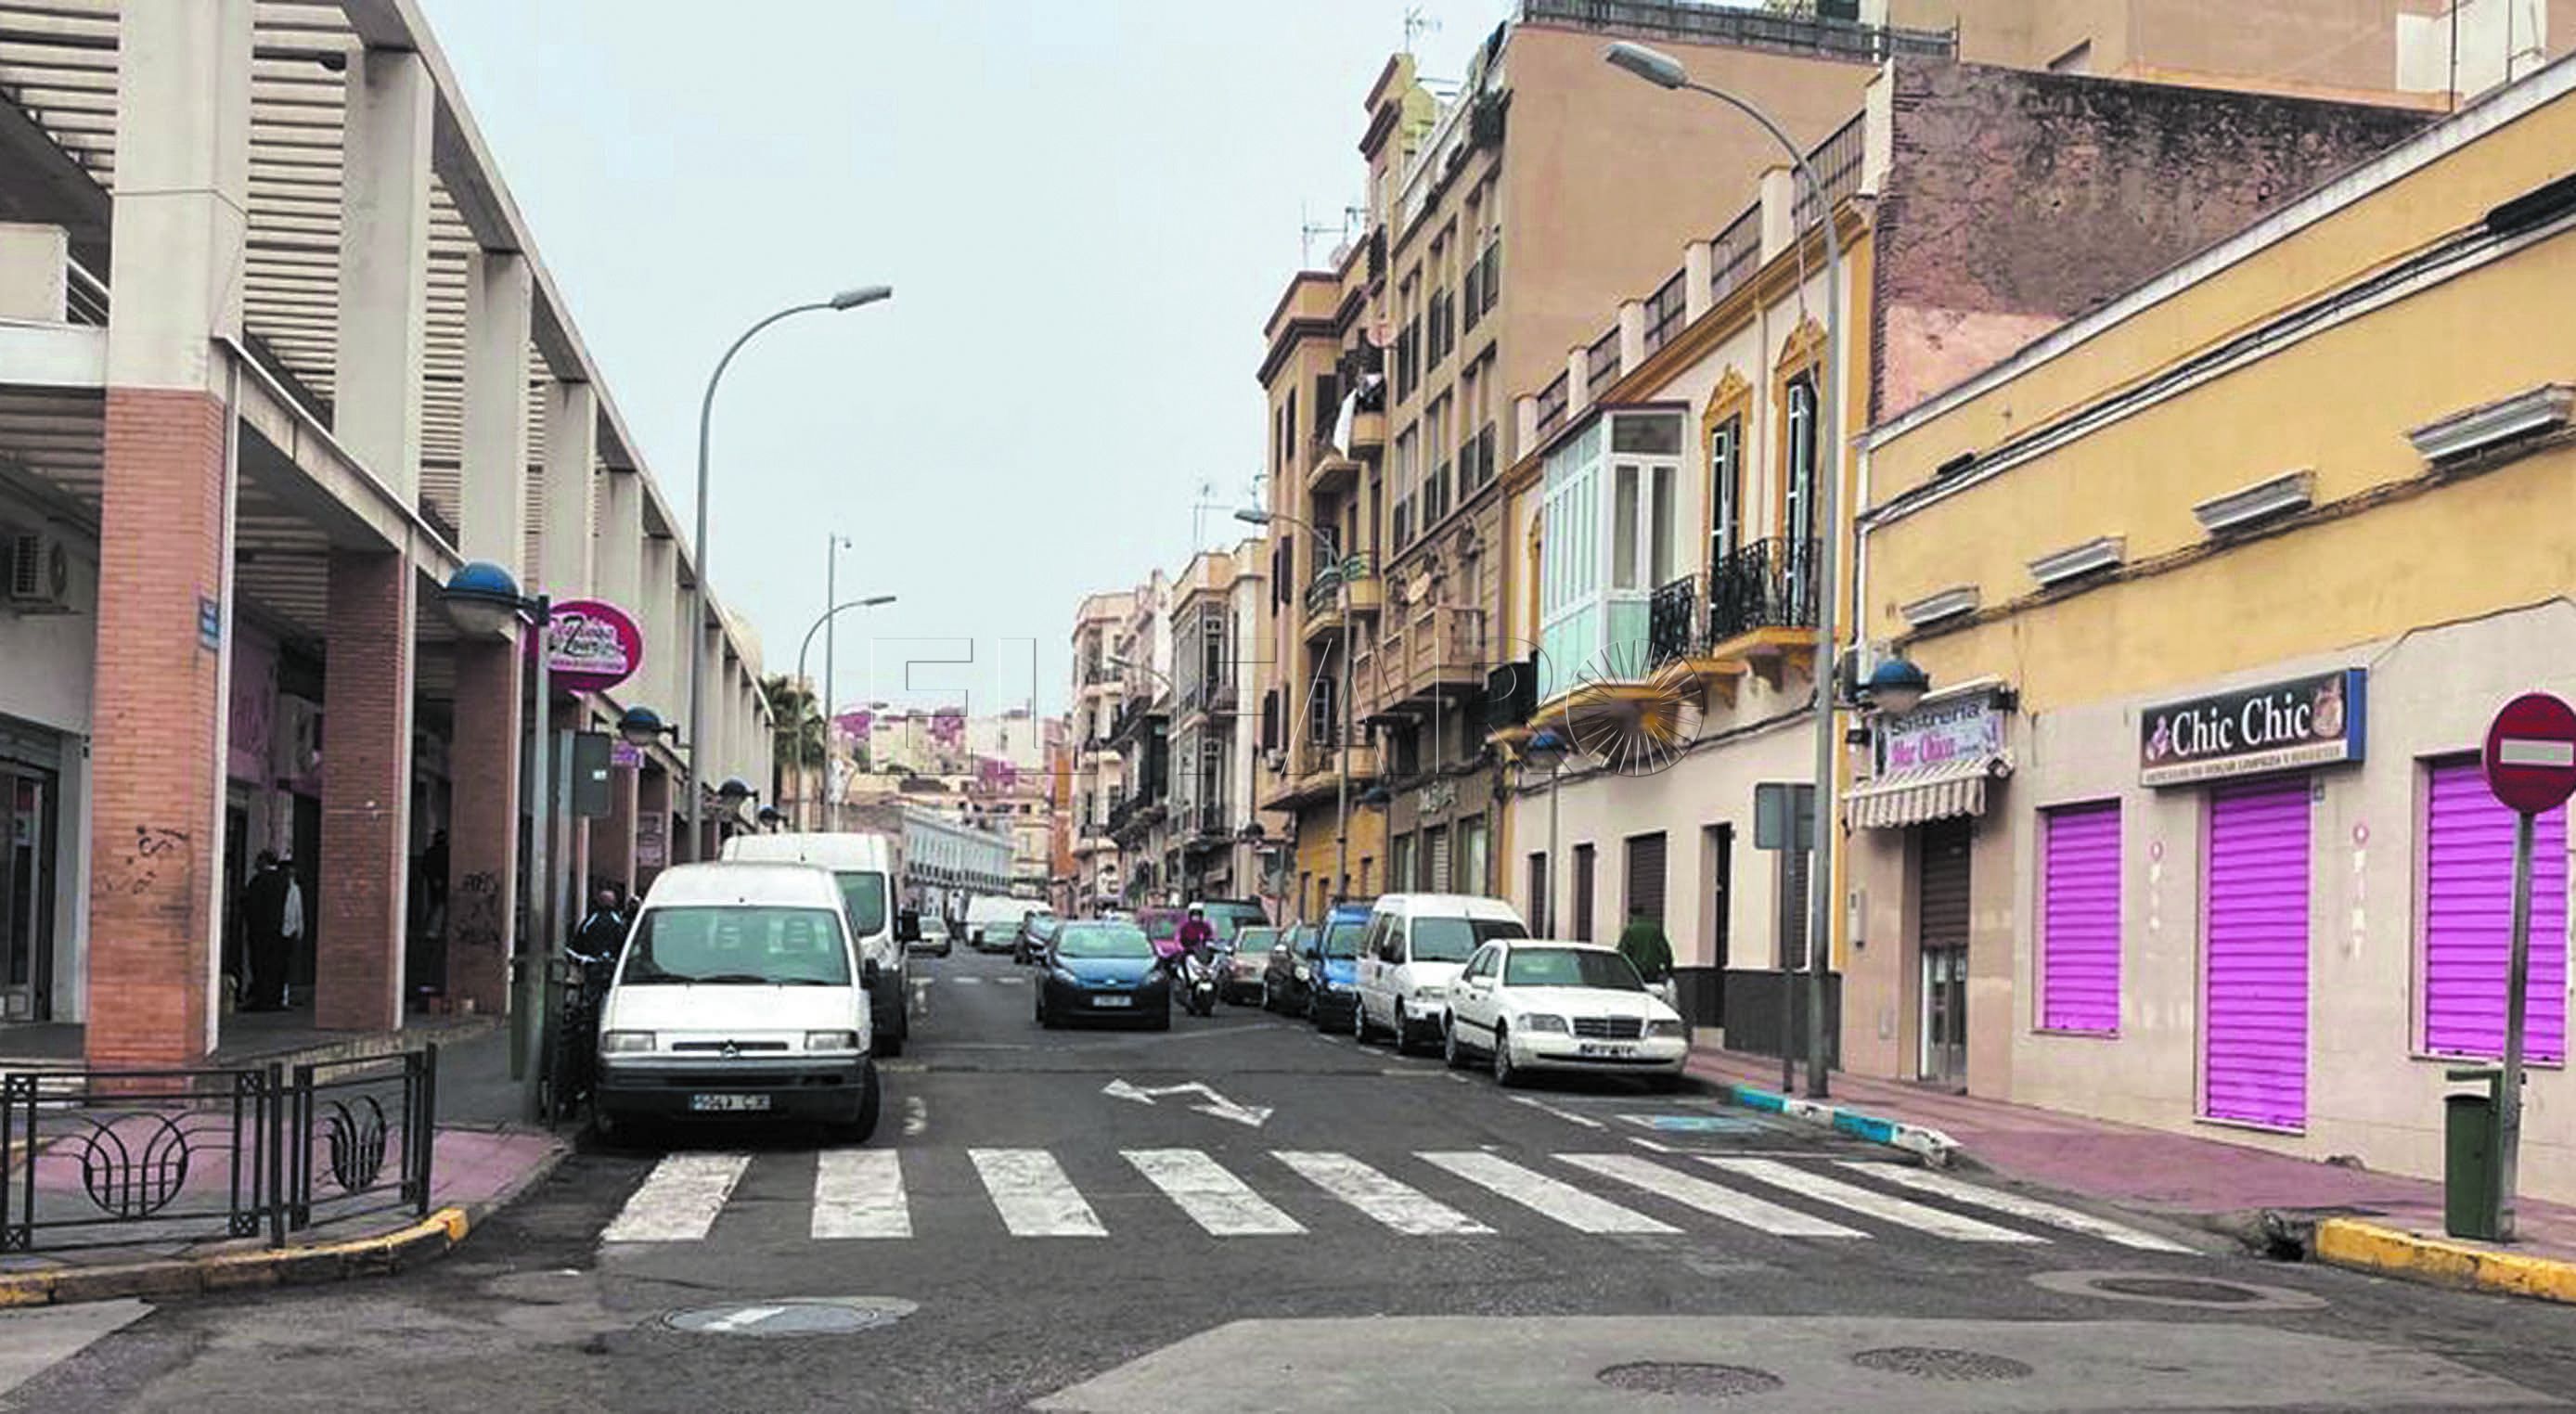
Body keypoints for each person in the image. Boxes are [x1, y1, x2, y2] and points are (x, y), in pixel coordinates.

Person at [240, 851, 301, 1011]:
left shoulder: (258, 881)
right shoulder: (285, 882)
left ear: (263, 862)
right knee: (279, 968)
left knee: (261, 966)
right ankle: (276, 999)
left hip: (260, 933)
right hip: (282, 932)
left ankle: (262, 999)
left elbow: (249, 906)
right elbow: (293, 907)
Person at [568, 889, 629, 968]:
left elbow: (579, 940)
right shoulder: (618, 921)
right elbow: (624, 939)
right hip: (613, 965)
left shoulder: (591, 920)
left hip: (592, 963)